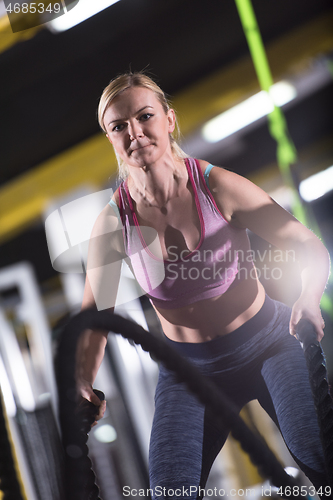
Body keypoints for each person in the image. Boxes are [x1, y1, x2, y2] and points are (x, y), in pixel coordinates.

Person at [78, 72, 331, 498]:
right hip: (188, 371)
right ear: (110, 138)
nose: (135, 132)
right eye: (119, 126)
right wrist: (83, 381)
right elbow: (96, 315)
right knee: (170, 491)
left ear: (169, 120)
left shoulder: (217, 186)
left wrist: (307, 295)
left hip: (271, 343)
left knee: (321, 461)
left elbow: (306, 244)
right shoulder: (112, 222)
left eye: (145, 117)